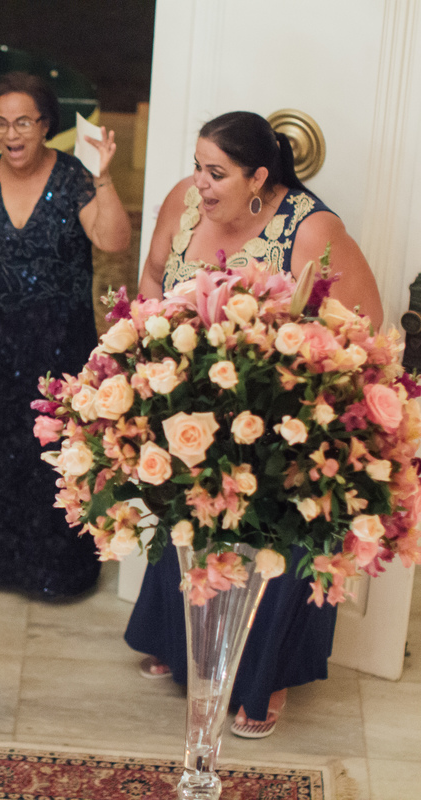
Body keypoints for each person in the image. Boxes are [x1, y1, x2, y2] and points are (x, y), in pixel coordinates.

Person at [126, 110, 384, 738]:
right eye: (197, 166)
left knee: (271, 537)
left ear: (260, 179)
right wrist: (150, 348)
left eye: (216, 173)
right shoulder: (185, 202)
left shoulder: (311, 228)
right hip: (188, 402)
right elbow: (155, 273)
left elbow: (366, 325)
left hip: (276, 415)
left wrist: (292, 382)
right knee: (186, 518)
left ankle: (265, 676)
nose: (200, 184)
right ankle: (175, 638)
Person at [0, 72, 132, 598]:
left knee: (58, 449)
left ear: (46, 126)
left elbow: (111, 240)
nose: (11, 134)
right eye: (0, 122)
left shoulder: (73, 178)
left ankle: (56, 566)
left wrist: (103, 176)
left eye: (23, 122)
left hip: (61, 341)